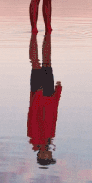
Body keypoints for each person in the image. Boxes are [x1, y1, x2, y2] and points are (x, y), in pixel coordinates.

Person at [27, 30, 61, 166]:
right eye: (50, 156)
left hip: (38, 93)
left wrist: (37, 95)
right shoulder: (49, 138)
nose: (50, 154)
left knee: (35, 62)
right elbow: (54, 115)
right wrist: (58, 92)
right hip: (49, 94)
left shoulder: (34, 139)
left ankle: (34, 35)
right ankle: (42, 34)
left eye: (48, 157)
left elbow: (33, 115)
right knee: (47, 62)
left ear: (41, 155)